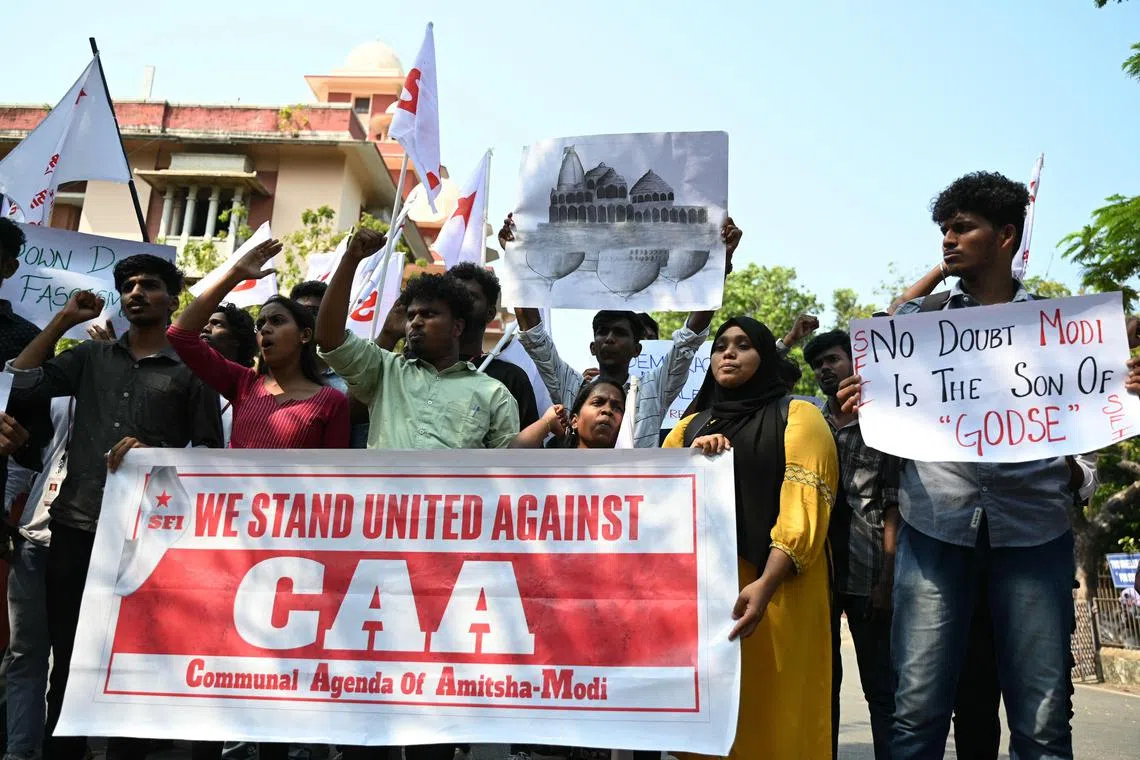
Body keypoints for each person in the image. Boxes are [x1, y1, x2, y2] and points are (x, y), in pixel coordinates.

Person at [837, 171, 1114, 759]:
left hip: (1036, 533)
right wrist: (864, 399)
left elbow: (1088, 461)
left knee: (1043, 722)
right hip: (933, 530)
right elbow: (881, 409)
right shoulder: (916, 326)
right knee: (916, 715)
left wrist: (1068, 468)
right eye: (944, 229)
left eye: (963, 228)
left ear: (1006, 236)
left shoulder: (1062, 330)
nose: (948, 240)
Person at [5, 254, 224, 760]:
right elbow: (21, 382)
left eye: (149, 285)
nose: (136, 293)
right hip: (76, 526)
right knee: (70, 658)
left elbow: (211, 456)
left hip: (149, 540)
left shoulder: (195, 369)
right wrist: (64, 320)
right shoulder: (88, 358)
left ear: (173, 298)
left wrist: (157, 458)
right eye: (128, 286)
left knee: (134, 662)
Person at [316, 228, 519, 760]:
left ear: (458, 326)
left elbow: (509, 481)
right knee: (372, 696)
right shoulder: (385, 372)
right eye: (411, 314)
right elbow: (329, 336)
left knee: (436, 703)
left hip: (451, 563)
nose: (415, 323)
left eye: (427, 314)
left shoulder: (493, 393)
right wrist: (350, 259)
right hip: (378, 555)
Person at [665, 316, 837, 759]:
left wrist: (766, 585)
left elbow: (805, 506)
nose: (728, 352)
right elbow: (661, 501)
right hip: (706, 597)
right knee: (711, 723)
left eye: (743, 345)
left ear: (765, 358)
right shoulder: (688, 428)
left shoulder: (800, 416)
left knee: (778, 715)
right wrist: (693, 459)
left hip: (779, 592)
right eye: (721, 344)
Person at [503, 217, 742, 448]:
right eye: (602, 332)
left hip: (640, 489)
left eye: (619, 333)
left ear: (637, 349)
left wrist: (720, 265)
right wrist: (515, 260)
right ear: (593, 347)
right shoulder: (573, 386)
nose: (609, 338)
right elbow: (534, 336)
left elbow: (690, 338)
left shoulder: (653, 388)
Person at [802, 329, 897, 760]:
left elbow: (895, 504)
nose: (825, 368)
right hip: (817, 575)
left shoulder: (884, 423)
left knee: (882, 687)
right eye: (818, 363)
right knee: (824, 687)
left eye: (833, 359)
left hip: (869, 567)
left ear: (854, 362)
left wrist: (888, 581)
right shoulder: (809, 424)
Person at [167, 239, 349, 450]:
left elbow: (331, 477)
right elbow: (180, 335)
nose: (265, 329)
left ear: (305, 335)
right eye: (260, 324)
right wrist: (235, 274)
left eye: (277, 321)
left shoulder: (333, 402)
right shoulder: (243, 384)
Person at [446, 262, 540, 428]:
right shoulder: (416, 367)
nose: (460, 302)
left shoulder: (511, 379)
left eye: (470, 296)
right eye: (452, 295)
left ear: (490, 313)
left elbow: (528, 449)